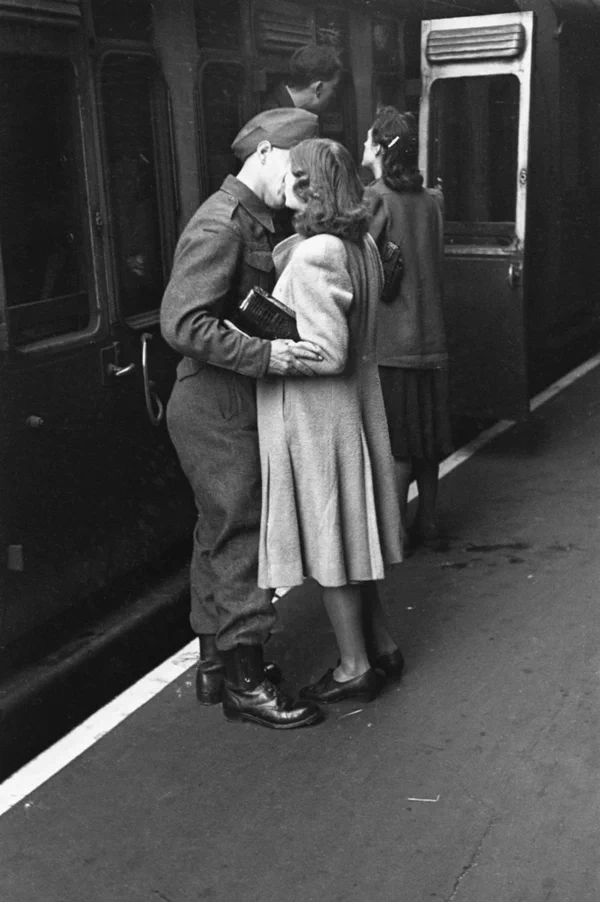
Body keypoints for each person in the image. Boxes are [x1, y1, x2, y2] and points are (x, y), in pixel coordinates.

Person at [160, 108, 326, 730]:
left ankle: (214, 666)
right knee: (243, 534)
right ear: (261, 155)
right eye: (294, 163)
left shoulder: (253, 218)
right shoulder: (223, 224)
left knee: (217, 532)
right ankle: (247, 685)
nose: (302, 179)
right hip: (216, 404)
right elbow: (183, 323)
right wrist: (268, 353)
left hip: (221, 399)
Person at [256, 138, 404, 705]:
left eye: (298, 176)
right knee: (350, 536)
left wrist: (267, 344)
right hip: (354, 413)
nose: (290, 185)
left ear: (315, 185)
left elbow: (327, 352)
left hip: (320, 420)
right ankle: (383, 646)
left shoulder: (319, 252)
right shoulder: (359, 240)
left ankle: (353, 666)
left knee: (330, 546)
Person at [362, 107, 452, 549]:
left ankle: (394, 532)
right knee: (427, 440)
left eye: (366, 142)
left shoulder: (375, 199)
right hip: (431, 340)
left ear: (379, 149)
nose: (363, 148)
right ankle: (428, 522)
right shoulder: (432, 201)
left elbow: (362, 263)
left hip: (392, 343)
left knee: (397, 442)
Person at [263, 43, 342, 115]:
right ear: (318, 88)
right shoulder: (274, 117)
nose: (334, 95)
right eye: (334, 88)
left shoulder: (279, 106)